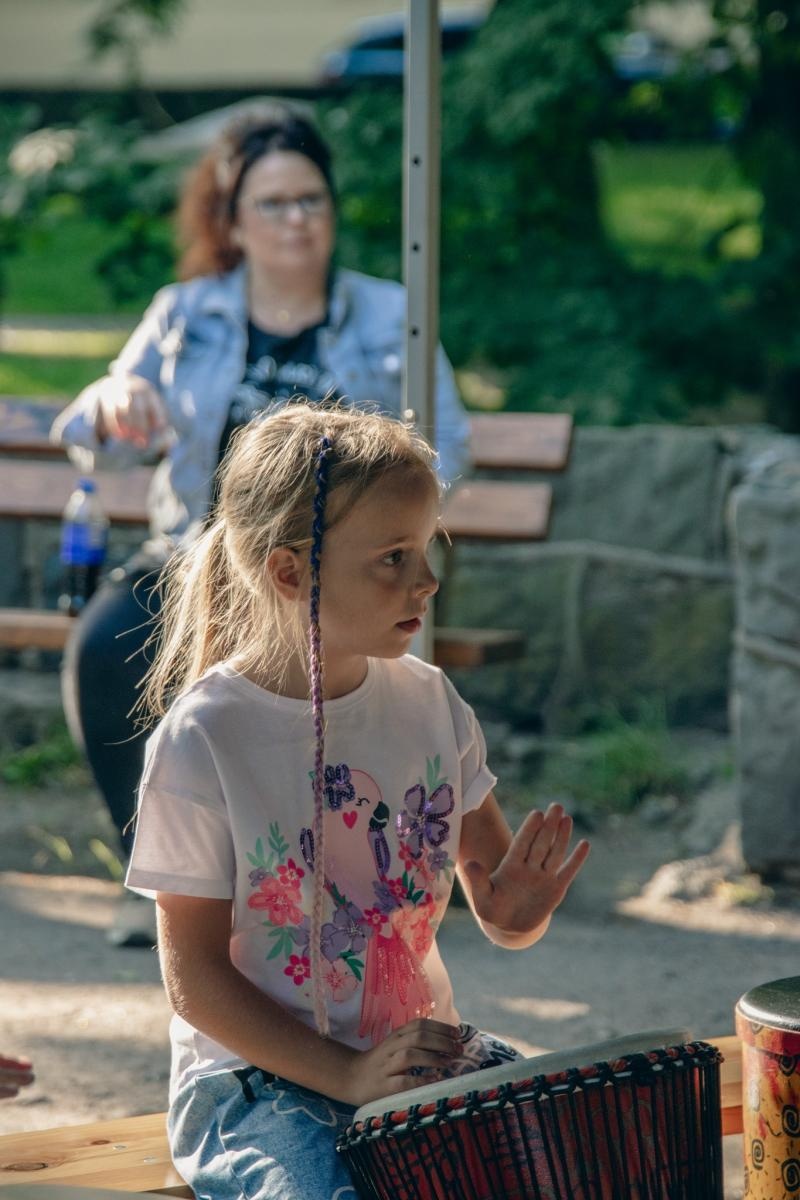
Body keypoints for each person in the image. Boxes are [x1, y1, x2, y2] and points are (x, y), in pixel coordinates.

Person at [125, 401, 589, 1200]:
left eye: (427, 548)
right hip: (254, 1086)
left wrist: (518, 910)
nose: (427, 580)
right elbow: (193, 980)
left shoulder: (431, 704)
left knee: (583, 1157)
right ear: (288, 570)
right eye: (393, 557)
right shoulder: (204, 738)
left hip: (417, 1062)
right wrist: (347, 1075)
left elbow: (500, 913)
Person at [50, 103, 470, 947]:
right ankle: (172, 883)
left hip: (334, 567)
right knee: (104, 648)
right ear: (233, 219)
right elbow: (92, 440)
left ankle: (357, 879)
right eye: (273, 203)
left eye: (311, 199)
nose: (296, 219)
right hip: (197, 560)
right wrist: (110, 403)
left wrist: (379, 527)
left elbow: (447, 445)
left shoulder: (387, 316)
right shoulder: (184, 313)